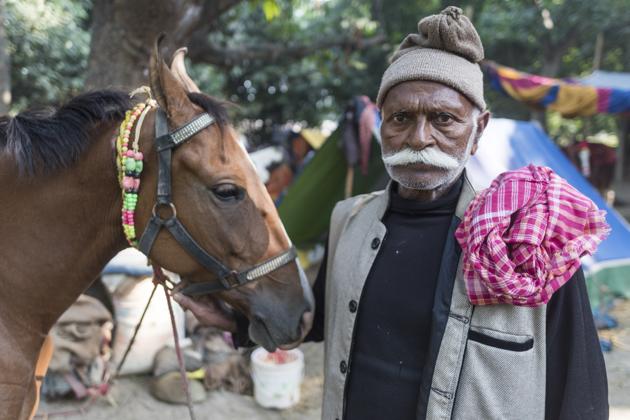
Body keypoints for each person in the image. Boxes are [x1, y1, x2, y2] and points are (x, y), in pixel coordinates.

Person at [174, 6, 608, 420]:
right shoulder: (349, 219)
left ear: (478, 132)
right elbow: (323, 321)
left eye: (444, 119)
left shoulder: (530, 237)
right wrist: (233, 320)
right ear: (380, 125)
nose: (420, 137)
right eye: (400, 117)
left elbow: (579, 391)